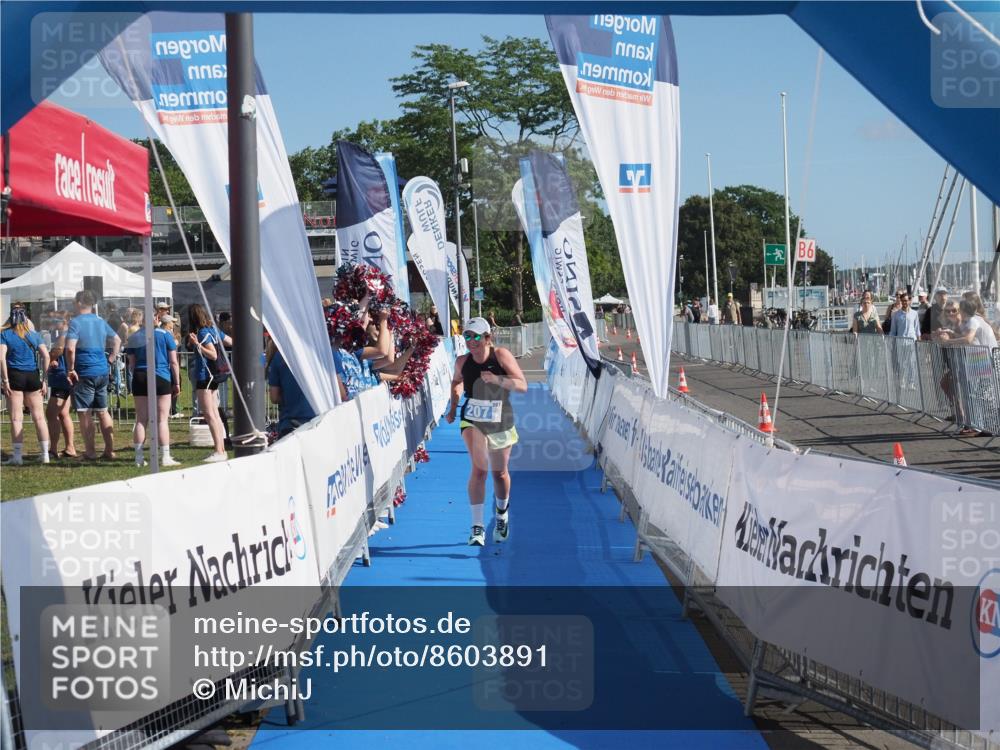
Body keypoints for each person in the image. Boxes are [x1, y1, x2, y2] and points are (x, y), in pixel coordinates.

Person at [445, 317, 527, 547]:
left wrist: (498, 379)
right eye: (467, 336)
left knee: (499, 474)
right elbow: (456, 382)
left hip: (501, 418)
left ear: (487, 337)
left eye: (476, 336)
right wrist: (453, 407)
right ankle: (477, 527)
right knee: (479, 470)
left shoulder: (500, 356)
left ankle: (502, 515)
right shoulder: (462, 361)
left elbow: (522, 385)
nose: (471, 341)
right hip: (472, 419)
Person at [65, 290, 120, 460]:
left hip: (84, 372)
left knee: (84, 412)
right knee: (103, 411)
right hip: (102, 371)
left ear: (80, 303)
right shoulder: (100, 321)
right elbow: (117, 340)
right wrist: (111, 359)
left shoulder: (75, 323)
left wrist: (70, 368)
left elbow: (70, 348)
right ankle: (110, 450)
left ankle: (90, 451)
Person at [127, 316, 182, 467]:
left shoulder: (134, 336)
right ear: (156, 319)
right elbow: (173, 362)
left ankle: (138, 458)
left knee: (141, 419)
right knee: (162, 419)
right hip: (161, 376)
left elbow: (131, 364)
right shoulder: (165, 335)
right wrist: (177, 382)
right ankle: (165, 456)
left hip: (140, 376)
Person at [1, 304, 51, 464]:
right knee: (39, 417)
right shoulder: (34, 335)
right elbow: (46, 356)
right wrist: (45, 380)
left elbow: (1, 357)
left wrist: (5, 380)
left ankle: (17, 456)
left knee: (16, 418)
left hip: (14, 375)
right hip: (33, 376)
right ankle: (45, 455)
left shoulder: (5, 334)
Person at [187, 303, 231, 462]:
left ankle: (219, 450)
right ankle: (222, 448)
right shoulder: (214, 330)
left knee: (209, 413)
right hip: (214, 376)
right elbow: (230, 341)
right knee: (214, 412)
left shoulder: (203, 333)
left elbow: (212, 354)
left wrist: (198, 345)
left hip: (205, 376)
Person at [267, 340, 317, 439]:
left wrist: (288, 395)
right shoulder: (316, 354)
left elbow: (274, 397)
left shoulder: (278, 358)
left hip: (291, 424)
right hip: (317, 420)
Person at [45, 313, 78, 459]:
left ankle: (53, 449)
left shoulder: (64, 335)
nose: (52, 322)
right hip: (63, 378)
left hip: (61, 379)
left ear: (64, 321)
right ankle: (70, 447)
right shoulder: (68, 334)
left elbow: (56, 351)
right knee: (64, 414)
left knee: (51, 414)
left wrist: (50, 357)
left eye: (55, 320)